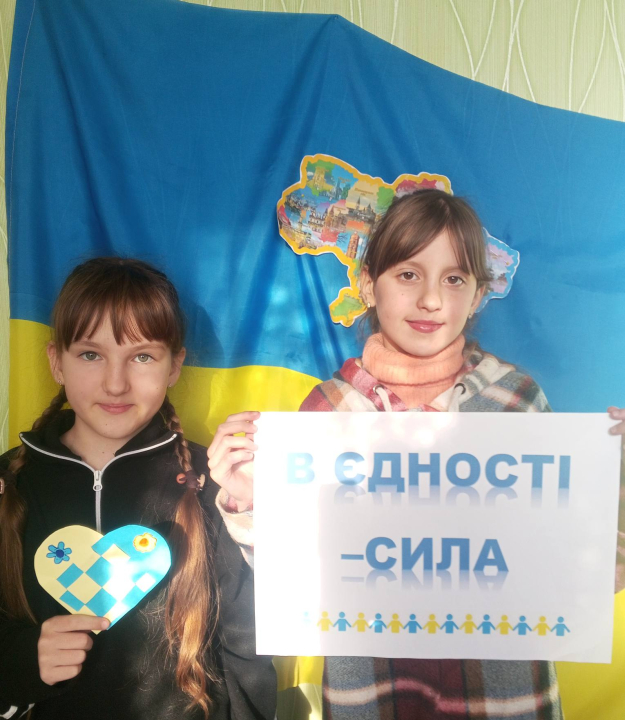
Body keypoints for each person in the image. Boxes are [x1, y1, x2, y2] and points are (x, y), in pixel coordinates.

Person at [207, 189, 625, 720]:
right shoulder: (325, 412)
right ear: (368, 284)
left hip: (508, 700)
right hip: (370, 696)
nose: (431, 299)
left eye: (455, 279)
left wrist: (616, 484)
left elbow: (578, 573)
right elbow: (295, 579)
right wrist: (250, 502)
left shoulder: (516, 402)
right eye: (408, 274)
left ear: (478, 295)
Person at [0, 258, 276, 720]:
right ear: (56, 362)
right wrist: (22, 659)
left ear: (175, 366)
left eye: (142, 356)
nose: (115, 384)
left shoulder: (215, 483)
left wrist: (248, 508)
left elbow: (248, 643)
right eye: (90, 355)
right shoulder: (10, 482)